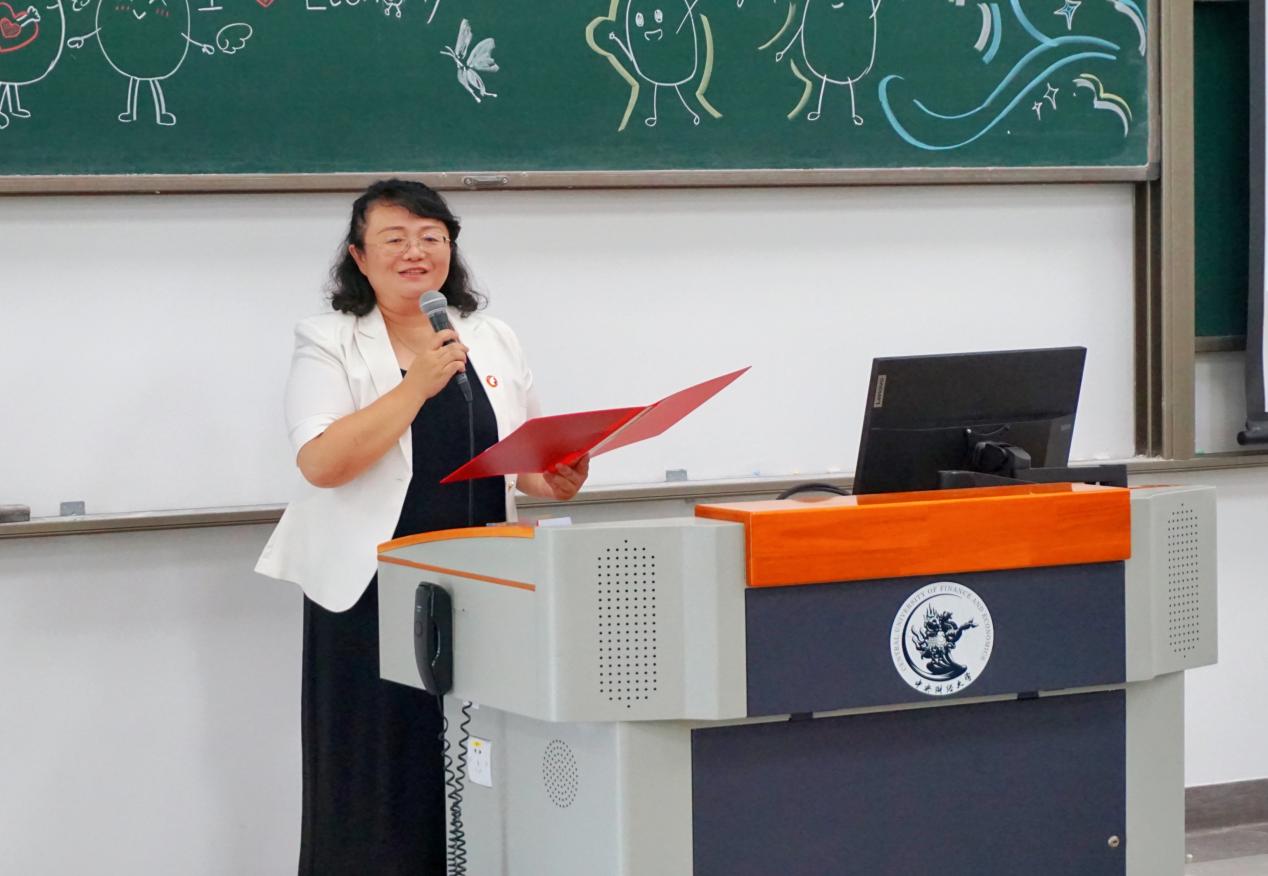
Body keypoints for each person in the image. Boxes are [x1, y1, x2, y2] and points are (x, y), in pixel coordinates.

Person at [254, 178, 589, 875]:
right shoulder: (328, 340)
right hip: (371, 594)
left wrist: (552, 478)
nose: (416, 252)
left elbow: (517, 457)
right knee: (376, 773)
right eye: (395, 239)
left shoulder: (490, 336)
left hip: (481, 586)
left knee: (477, 762)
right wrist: (415, 385)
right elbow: (321, 462)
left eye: (432, 237)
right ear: (359, 257)